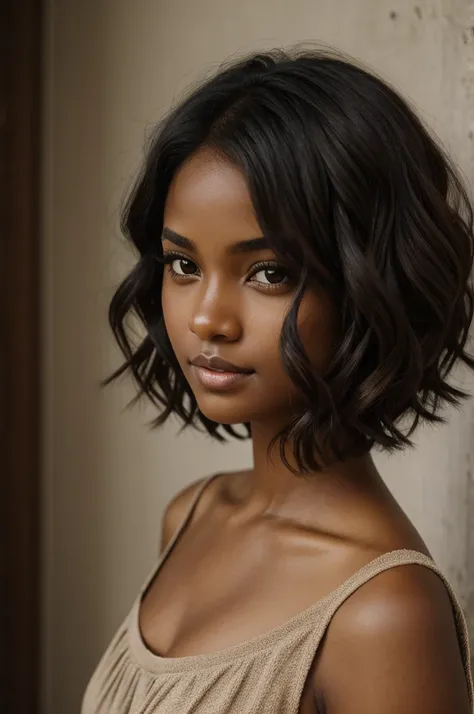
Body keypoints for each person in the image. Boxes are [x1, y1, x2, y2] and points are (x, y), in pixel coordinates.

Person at [81, 46, 474, 714]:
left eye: (268, 272)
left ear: (368, 285)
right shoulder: (190, 515)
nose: (207, 317)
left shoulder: (385, 613)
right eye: (183, 264)